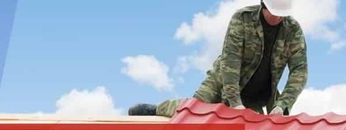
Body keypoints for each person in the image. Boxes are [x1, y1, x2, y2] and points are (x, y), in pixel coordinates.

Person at [130, 0, 307, 117]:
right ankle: (157, 109)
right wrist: (235, 103)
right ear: (263, 5)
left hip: (256, 95)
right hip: (223, 80)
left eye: (281, 14)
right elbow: (231, 62)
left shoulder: (293, 30)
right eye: (273, 12)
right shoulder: (242, 19)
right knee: (195, 111)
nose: (277, 18)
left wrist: (282, 104)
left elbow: (299, 71)